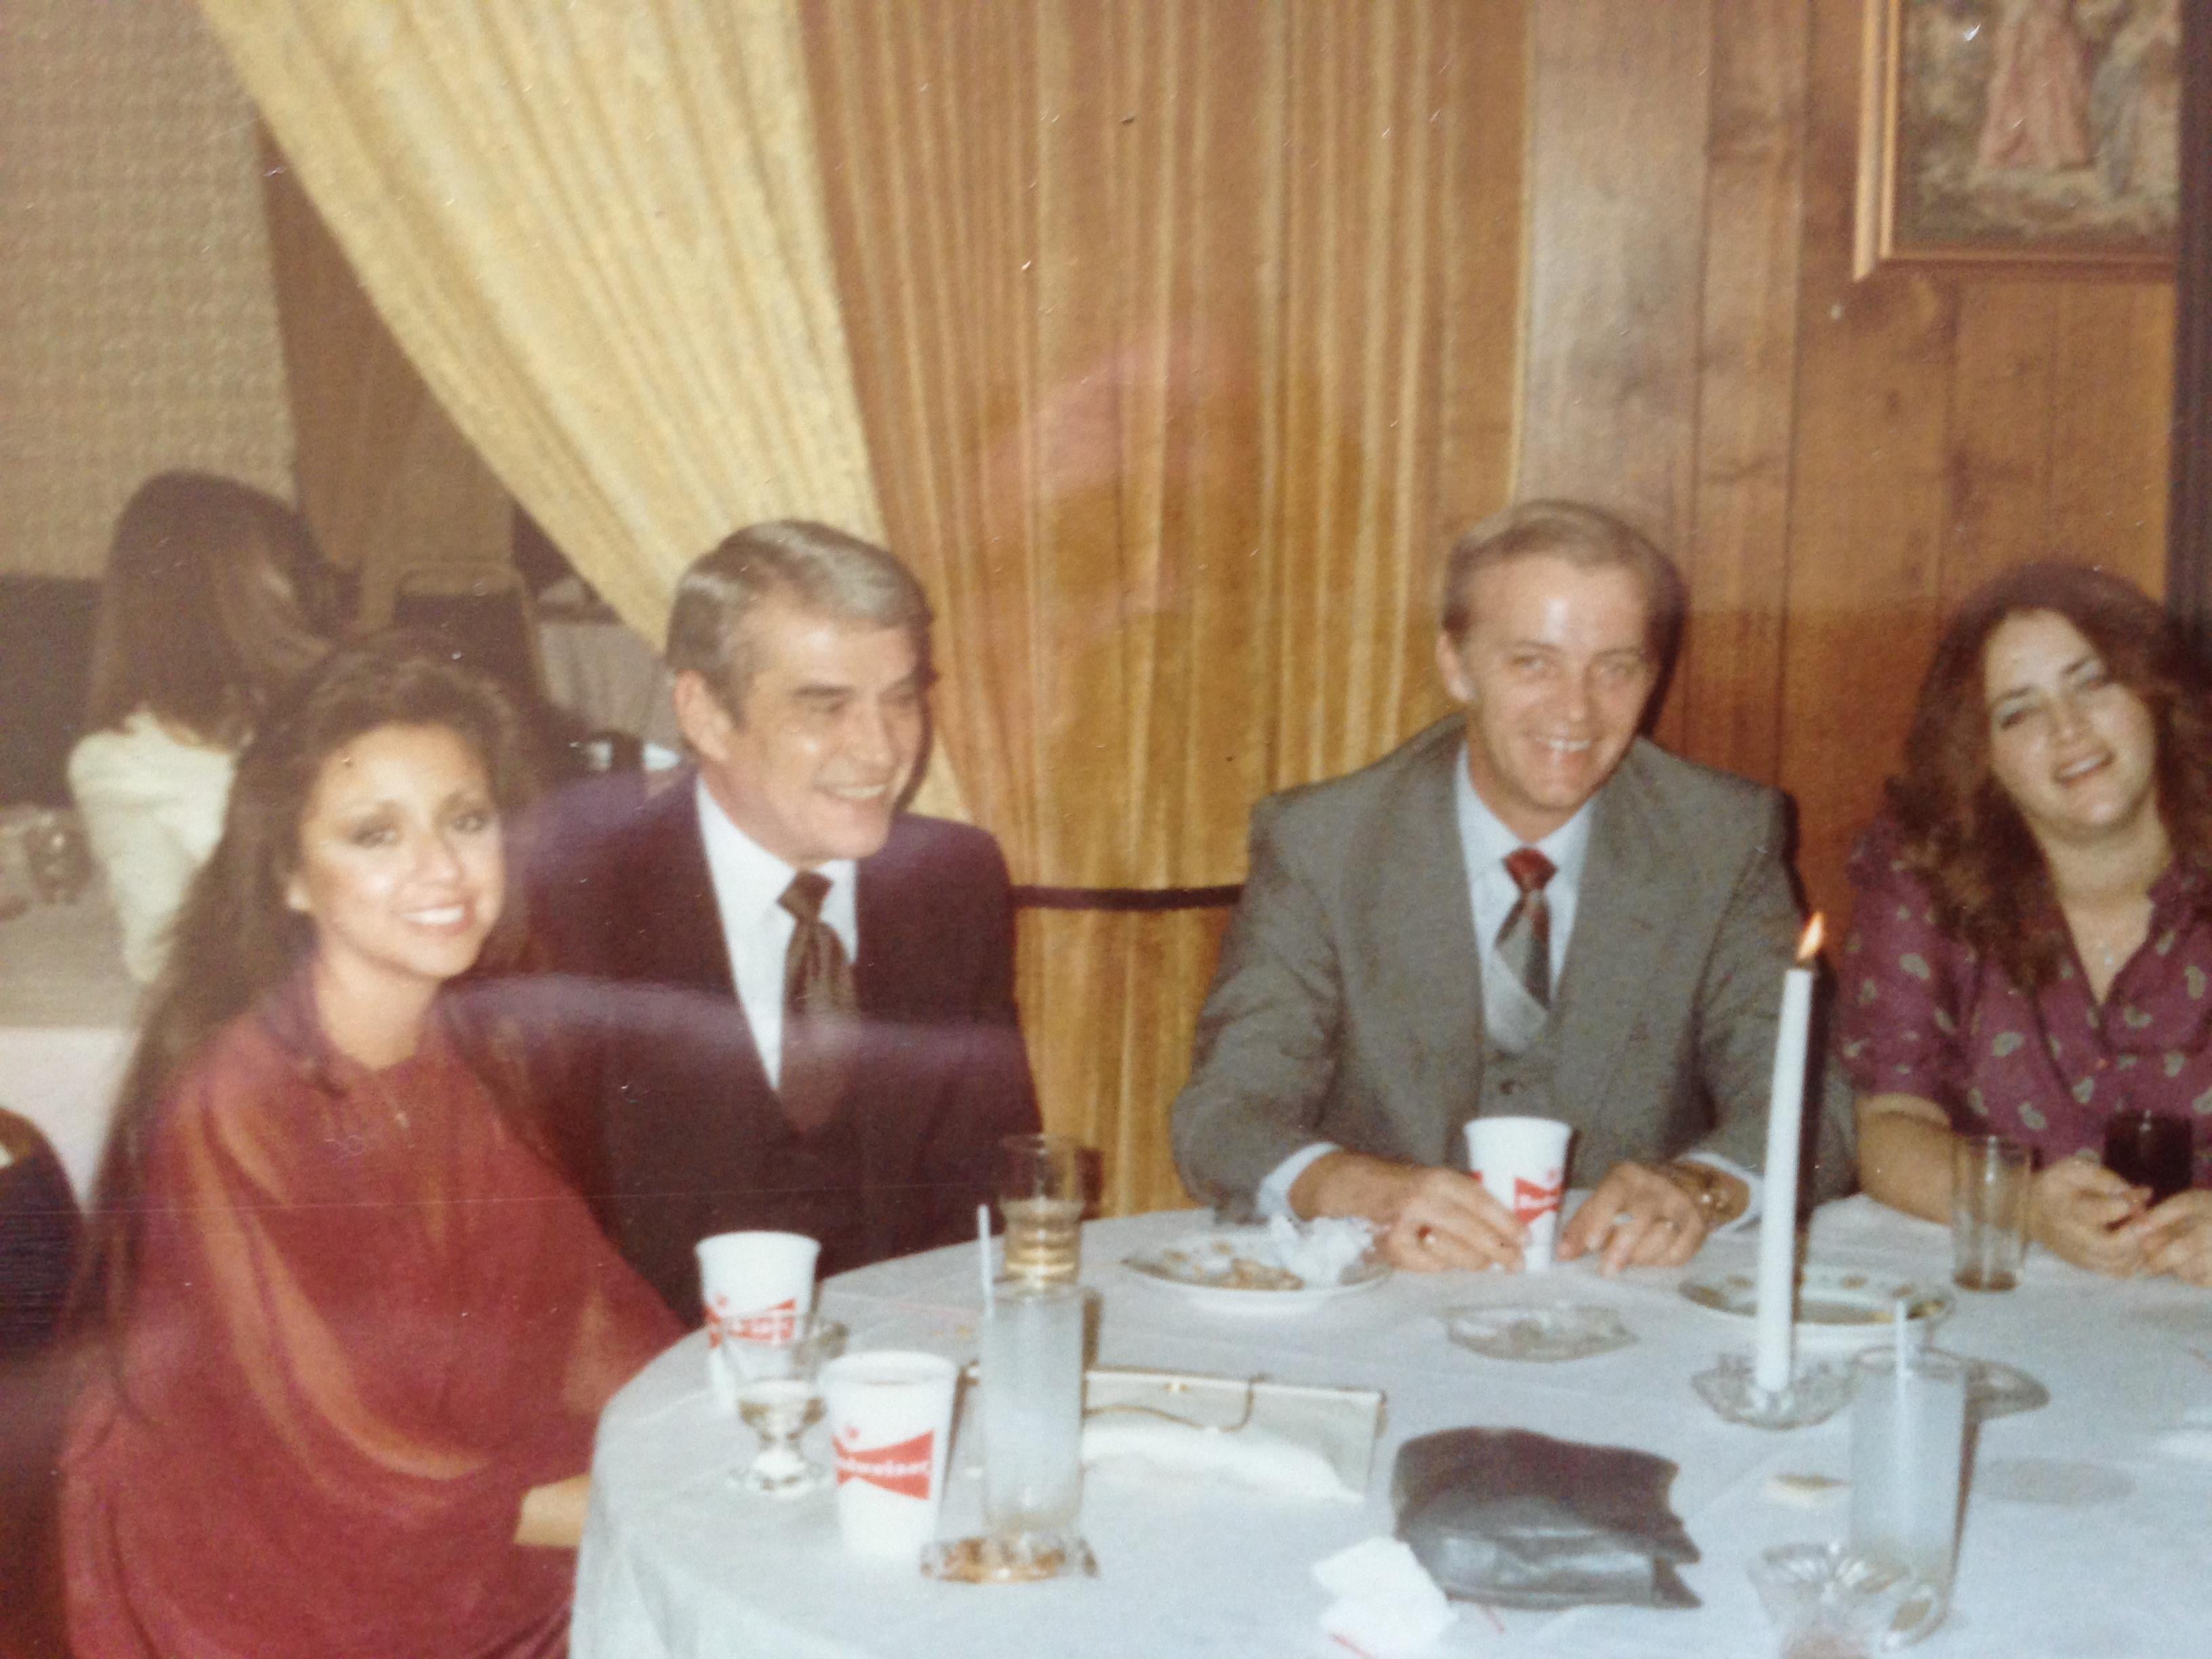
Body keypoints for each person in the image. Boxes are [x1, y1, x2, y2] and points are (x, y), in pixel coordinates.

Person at [61, 638, 678, 1658]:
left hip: (441, 1499)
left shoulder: (477, 1047)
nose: (441, 869)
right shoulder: (236, 1107)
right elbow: (358, 1477)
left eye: (466, 821)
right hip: (269, 1578)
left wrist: (718, 1420)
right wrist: (664, 1498)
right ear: (291, 878)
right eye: (374, 834)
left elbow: (582, 1319)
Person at [1171, 500, 1853, 1274]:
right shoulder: (1326, 843)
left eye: (1616, 668)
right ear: (1457, 665)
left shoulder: (1721, 839)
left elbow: (1811, 1110)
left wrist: (1700, 1187)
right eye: (1533, 662)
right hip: (1383, 1295)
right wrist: (1360, 1189)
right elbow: (1224, 1117)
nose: (1577, 709)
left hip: (1618, 1304)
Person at [528, 520, 1040, 1316]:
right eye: (825, 705)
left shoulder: (953, 880)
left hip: (903, 1373)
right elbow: (554, 1240)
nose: (879, 750)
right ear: (703, 714)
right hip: (660, 1381)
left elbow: (986, 1194)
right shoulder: (580, 895)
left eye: (901, 699)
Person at [1841, 562, 2212, 1287]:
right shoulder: (1924, 876)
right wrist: (2022, 1205)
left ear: (2155, 696)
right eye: (2019, 711)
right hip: (2009, 1295)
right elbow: (1889, 1127)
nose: (2068, 730)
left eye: (2093, 682)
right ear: (1985, 760)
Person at [69, 472, 329, 981]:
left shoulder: (123, 760)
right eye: (290, 574)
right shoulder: (129, 761)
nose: (307, 592)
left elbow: (160, 957)